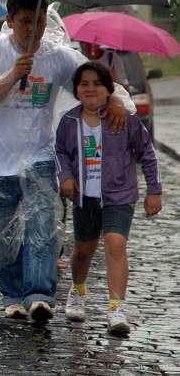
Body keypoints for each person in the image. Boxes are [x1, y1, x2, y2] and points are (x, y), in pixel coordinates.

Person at [0, 0, 130, 323]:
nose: (34, 28)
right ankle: (12, 294)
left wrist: (113, 101)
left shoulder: (58, 57)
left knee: (42, 226)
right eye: (26, 21)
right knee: (3, 233)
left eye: (40, 21)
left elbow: (93, 80)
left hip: (39, 155)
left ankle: (40, 295)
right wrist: (12, 75)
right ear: (9, 22)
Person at [56, 63, 161, 335]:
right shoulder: (69, 122)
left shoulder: (124, 119)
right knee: (84, 251)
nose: (90, 89)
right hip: (85, 197)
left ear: (109, 90)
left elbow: (147, 153)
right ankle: (78, 290)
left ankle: (116, 308)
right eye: (84, 83)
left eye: (97, 84)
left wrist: (154, 190)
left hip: (119, 195)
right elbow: (60, 152)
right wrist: (65, 176)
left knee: (116, 244)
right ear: (76, 90)